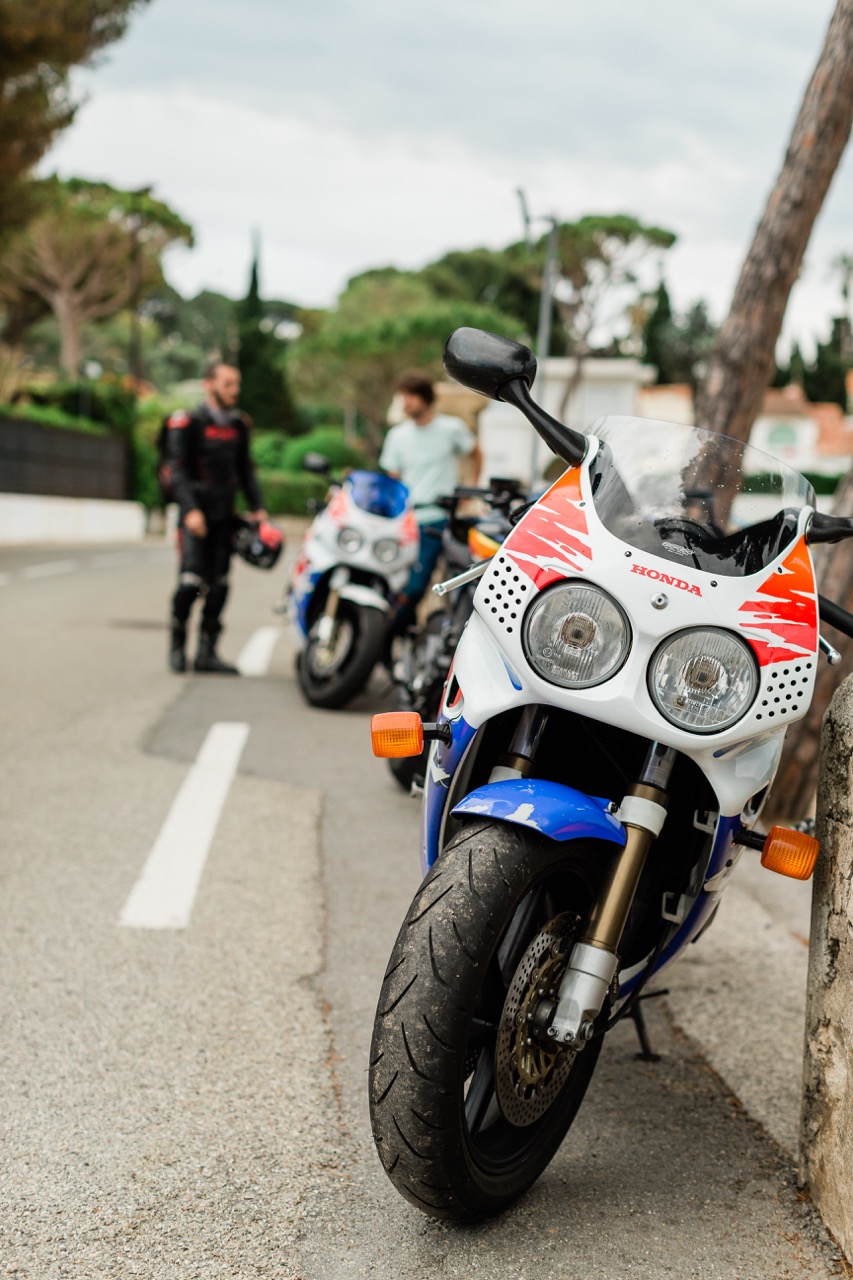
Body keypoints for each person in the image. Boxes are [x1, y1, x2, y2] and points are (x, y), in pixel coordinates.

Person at [164, 361, 267, 674]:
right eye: (227, 384)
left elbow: (245, 469)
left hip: (225, 516)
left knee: (219, 585)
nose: (234, 390)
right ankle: (178, 645)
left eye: (236, 384)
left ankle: (207, 653)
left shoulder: (239, 424)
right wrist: (190, 510)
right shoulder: (188, 422)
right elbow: (177, 470)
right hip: (195, 517)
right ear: (209, 384)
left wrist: (258, 508)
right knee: (191, 583)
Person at [379, 370, 482, 633]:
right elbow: (392, 479)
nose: (405, 402)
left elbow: (475, 453)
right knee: (405, 585)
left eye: (411, 396)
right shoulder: (397, 435)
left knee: (440, 584)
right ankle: (391, 634)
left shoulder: (450, 429)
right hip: (408, 521)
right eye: (403, 396)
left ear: (425, 398)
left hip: (441, 518)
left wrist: (470, 489)